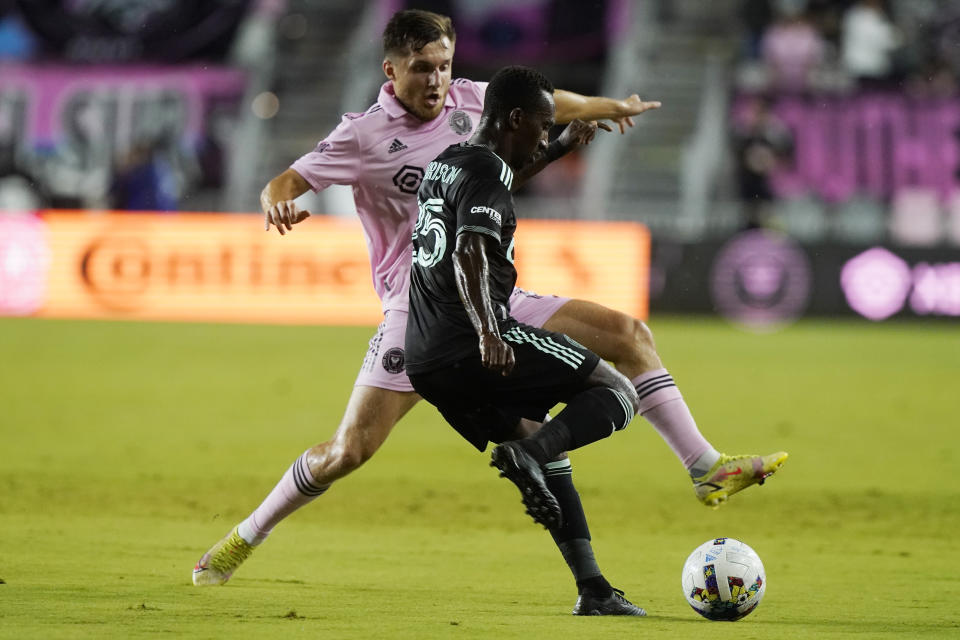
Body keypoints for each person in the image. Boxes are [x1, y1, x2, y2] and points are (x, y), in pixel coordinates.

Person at [192, 9, 787, 592]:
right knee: (349, 451)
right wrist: (277, 200)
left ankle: (704, 469)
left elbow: (554, 103)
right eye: (422, 68)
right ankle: (245, 536)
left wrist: (614, 107)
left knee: (628, 337)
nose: (436, 81)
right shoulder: (363, 134)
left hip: (493, 296)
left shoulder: (472, 102)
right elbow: (288, 179)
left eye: (444, 66)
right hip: (416, 310)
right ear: (391, 70)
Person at [407, 63, 650, 611]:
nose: (545, 133)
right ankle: (530, 455)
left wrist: (561, 147)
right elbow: (470, 249)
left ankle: (593, 589)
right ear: (514, 118)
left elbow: (501, 183)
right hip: (473, 341)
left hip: (426, 362)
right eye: (543, 125)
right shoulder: (485, 174)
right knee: (617, 392)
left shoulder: (451, 163)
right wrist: (491, 331)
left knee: (544, 442)